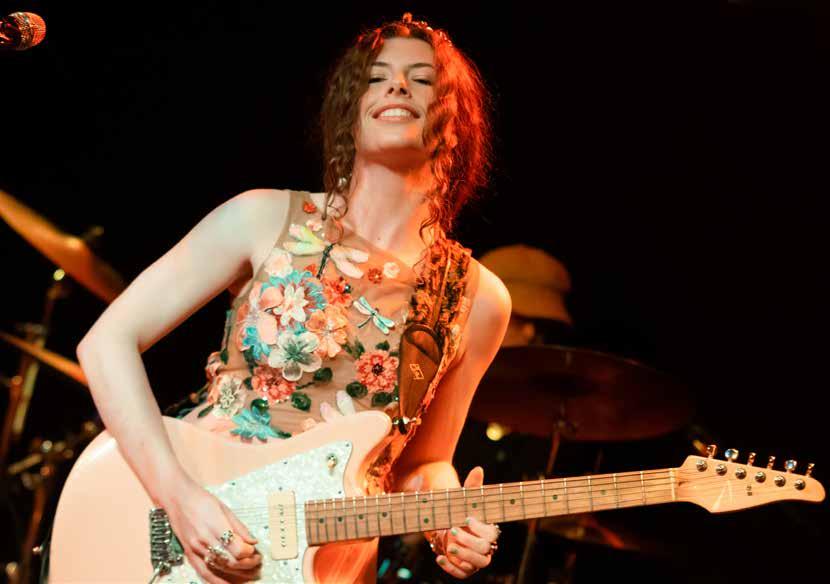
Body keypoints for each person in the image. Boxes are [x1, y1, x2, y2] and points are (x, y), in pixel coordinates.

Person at [74, 13, 511, 584]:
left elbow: (425, 462)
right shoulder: (260, 216)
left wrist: (449, 524)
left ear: (454, 125)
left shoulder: (477, 297)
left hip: (330, 563)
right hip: (201, 522)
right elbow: (107, 342)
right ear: (351, 111)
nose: (398, 86)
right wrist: (178, 498)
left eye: (423, 79)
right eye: (376, 77)